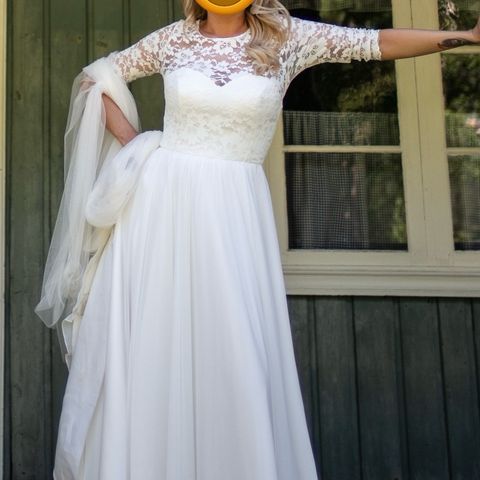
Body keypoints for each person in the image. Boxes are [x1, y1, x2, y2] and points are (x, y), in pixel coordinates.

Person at [34, 0, 479, 478]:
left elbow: (376, 43)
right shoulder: (174, 39)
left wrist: (467, 37)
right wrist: (138, 143)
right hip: (162, 210)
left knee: (234, 342)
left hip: (235, 213)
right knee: (157, 339)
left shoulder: (288, 38)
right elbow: (95, 79)